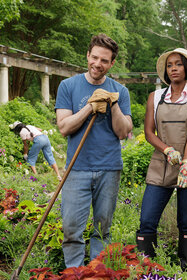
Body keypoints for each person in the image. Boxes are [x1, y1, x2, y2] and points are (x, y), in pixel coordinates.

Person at [55, 34, 133, 268]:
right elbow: (64, 127)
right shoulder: (68, 86)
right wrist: (90, 106)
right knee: (71, 227)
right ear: (87, 55)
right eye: (95, 57)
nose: (98, 64)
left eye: (104, 60)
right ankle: (74, 272)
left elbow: (123, 131)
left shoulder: (120, 91)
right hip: (77, 167)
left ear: (112, 63)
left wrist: (114, 104)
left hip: (109, 167)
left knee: (102, 228)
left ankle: (97, 272)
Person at [136, 48, 187, 270]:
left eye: (178, 64)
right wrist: (167, 150)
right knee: (147, 219)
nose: (174, 68)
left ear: (186, 68)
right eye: (169, 65)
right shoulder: (155, 97)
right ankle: (147, 267)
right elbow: (149, 132)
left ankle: (185, 268)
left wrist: (185, 162)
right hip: (161, 165)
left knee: (185, 222)